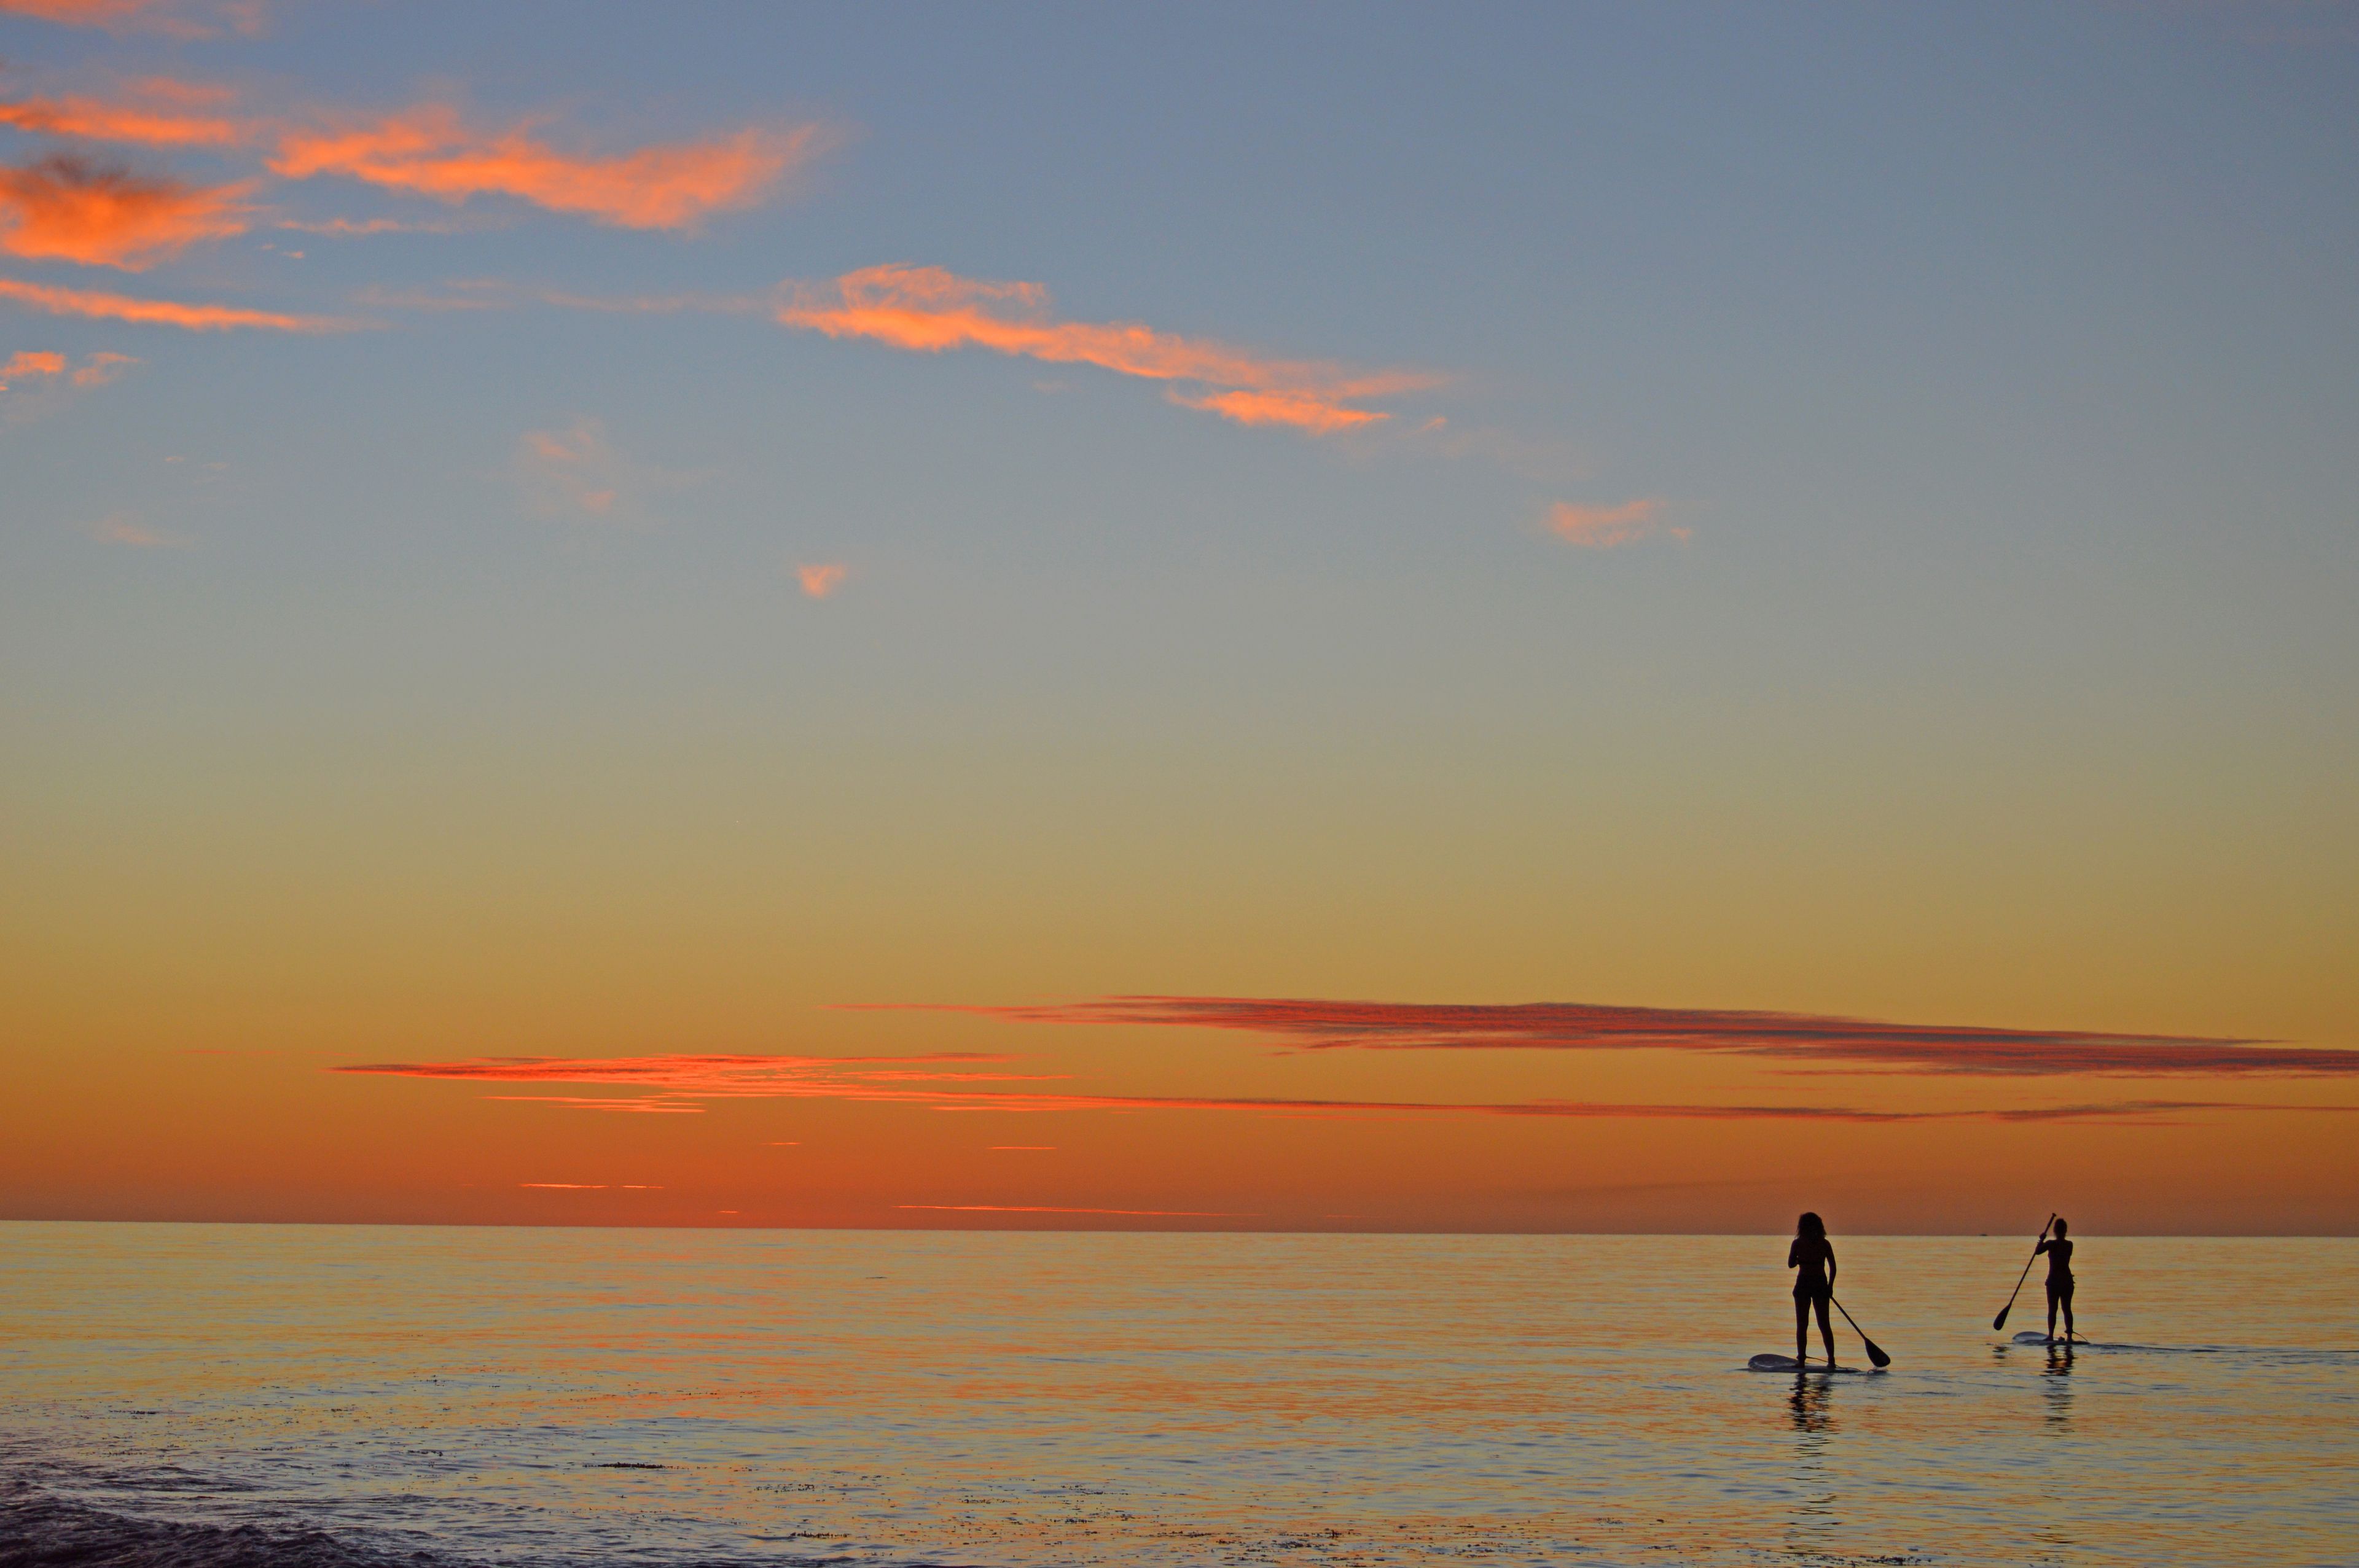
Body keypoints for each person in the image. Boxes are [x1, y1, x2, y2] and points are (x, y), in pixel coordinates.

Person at [1787, 1212, 1837, 1366]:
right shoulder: (1825, 1244)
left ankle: (1801, 1360)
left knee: (1802, 1325)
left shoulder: (1797, 1244)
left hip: (1804, 1284)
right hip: (1820, 1284)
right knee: (1824, 1324)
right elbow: (1833, 1268)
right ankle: (1831, 1360)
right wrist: (1830, 1286)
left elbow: (1790, 1264)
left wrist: (1799, 1260)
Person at [2036, 1218, 2076, 1343]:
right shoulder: (2069, 1244)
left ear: (2054, 1231)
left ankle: (2051, 1335)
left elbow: (2038, 1252)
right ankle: (2069, 1336)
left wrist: (2041, 1240)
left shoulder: (2051, 1244)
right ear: (2065, 1231)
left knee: (2053, 1309)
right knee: (2067, 1308)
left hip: (2054, 1281)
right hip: (2066, 1281)